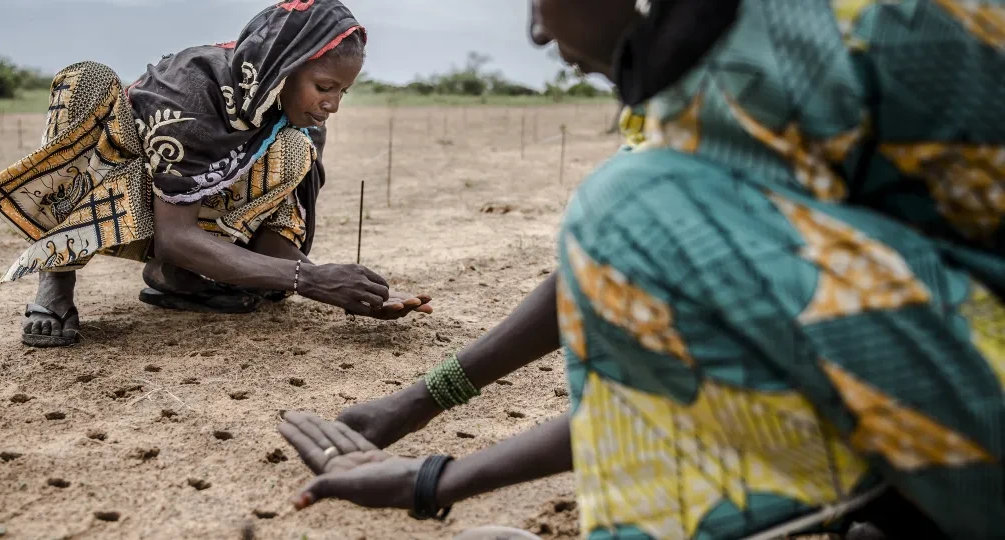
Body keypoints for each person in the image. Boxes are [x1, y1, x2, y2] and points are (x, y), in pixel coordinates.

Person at [277, 1, 1005, 539]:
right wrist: (425, 414)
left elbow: (637, 273)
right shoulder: (714, 64)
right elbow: (634, 299)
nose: (536, 30)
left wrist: (440, 476)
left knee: (624, 206)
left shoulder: (787, 57)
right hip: (961, 373)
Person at [0, 0, 432, 347]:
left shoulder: (291, 124)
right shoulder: (195, 90)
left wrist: (346, 289)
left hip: (181, 221)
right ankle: (56, 276)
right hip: (114, 197)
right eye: (325, 87)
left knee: (297, 148)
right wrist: (311, 281)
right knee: (88, 79)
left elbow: (272, 235)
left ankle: (173, 277)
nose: (333, 104)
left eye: (343, 91)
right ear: (284, 68)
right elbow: (176, 233)